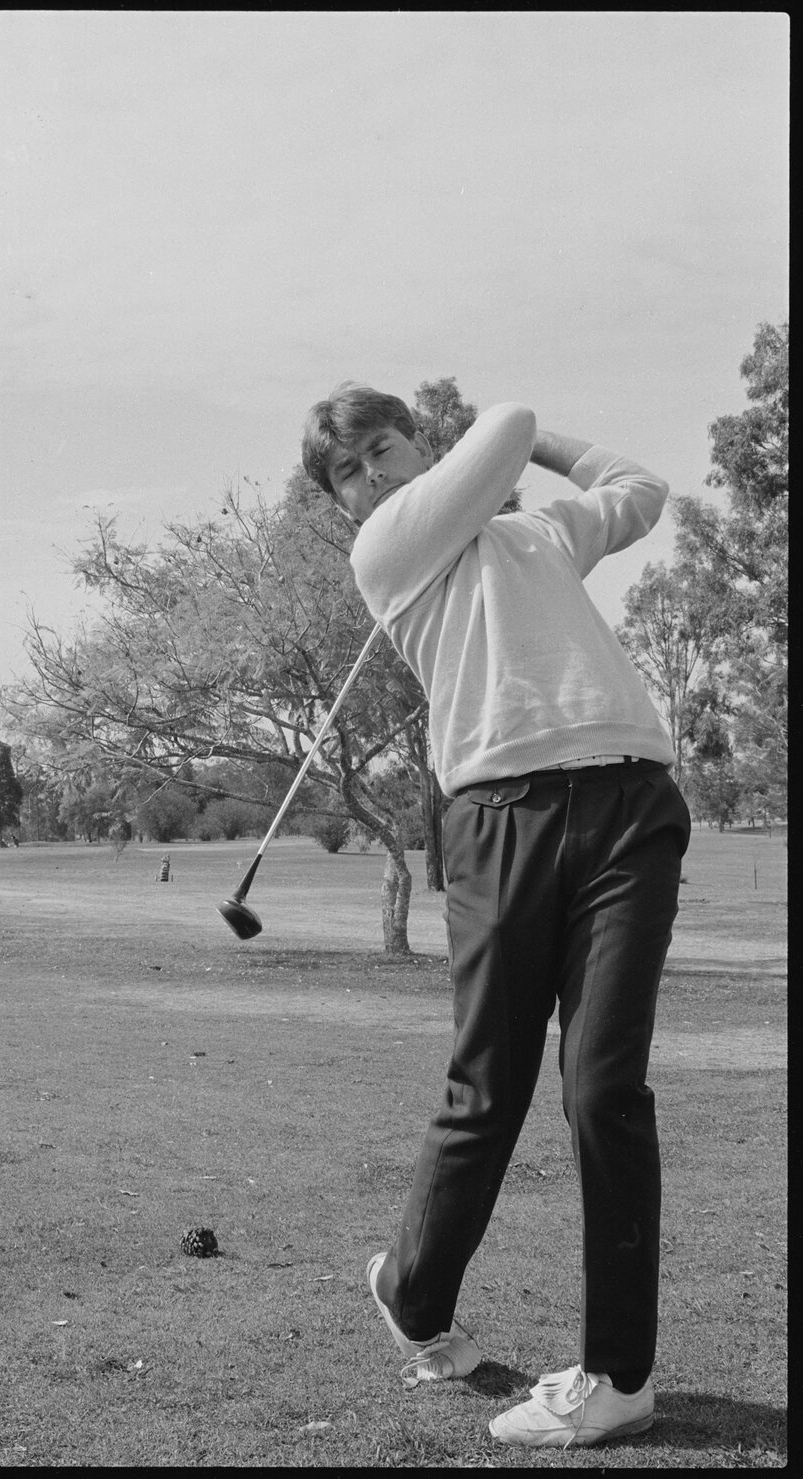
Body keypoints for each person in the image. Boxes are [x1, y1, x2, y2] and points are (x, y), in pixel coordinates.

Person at [300, 385, 690, 1449]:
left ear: (420, 439)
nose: (374, 475)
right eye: (351, 472)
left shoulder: (537, 529)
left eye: (384, 448)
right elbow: (510, 419)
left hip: (628, 806)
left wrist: (534, 453)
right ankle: (412, 1294)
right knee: (489, 1090)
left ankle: (617, 1376)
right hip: (499, 819)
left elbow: (639, 490)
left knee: (605, 1090)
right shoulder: (389, 548)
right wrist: (503, 438)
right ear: (346, 502)